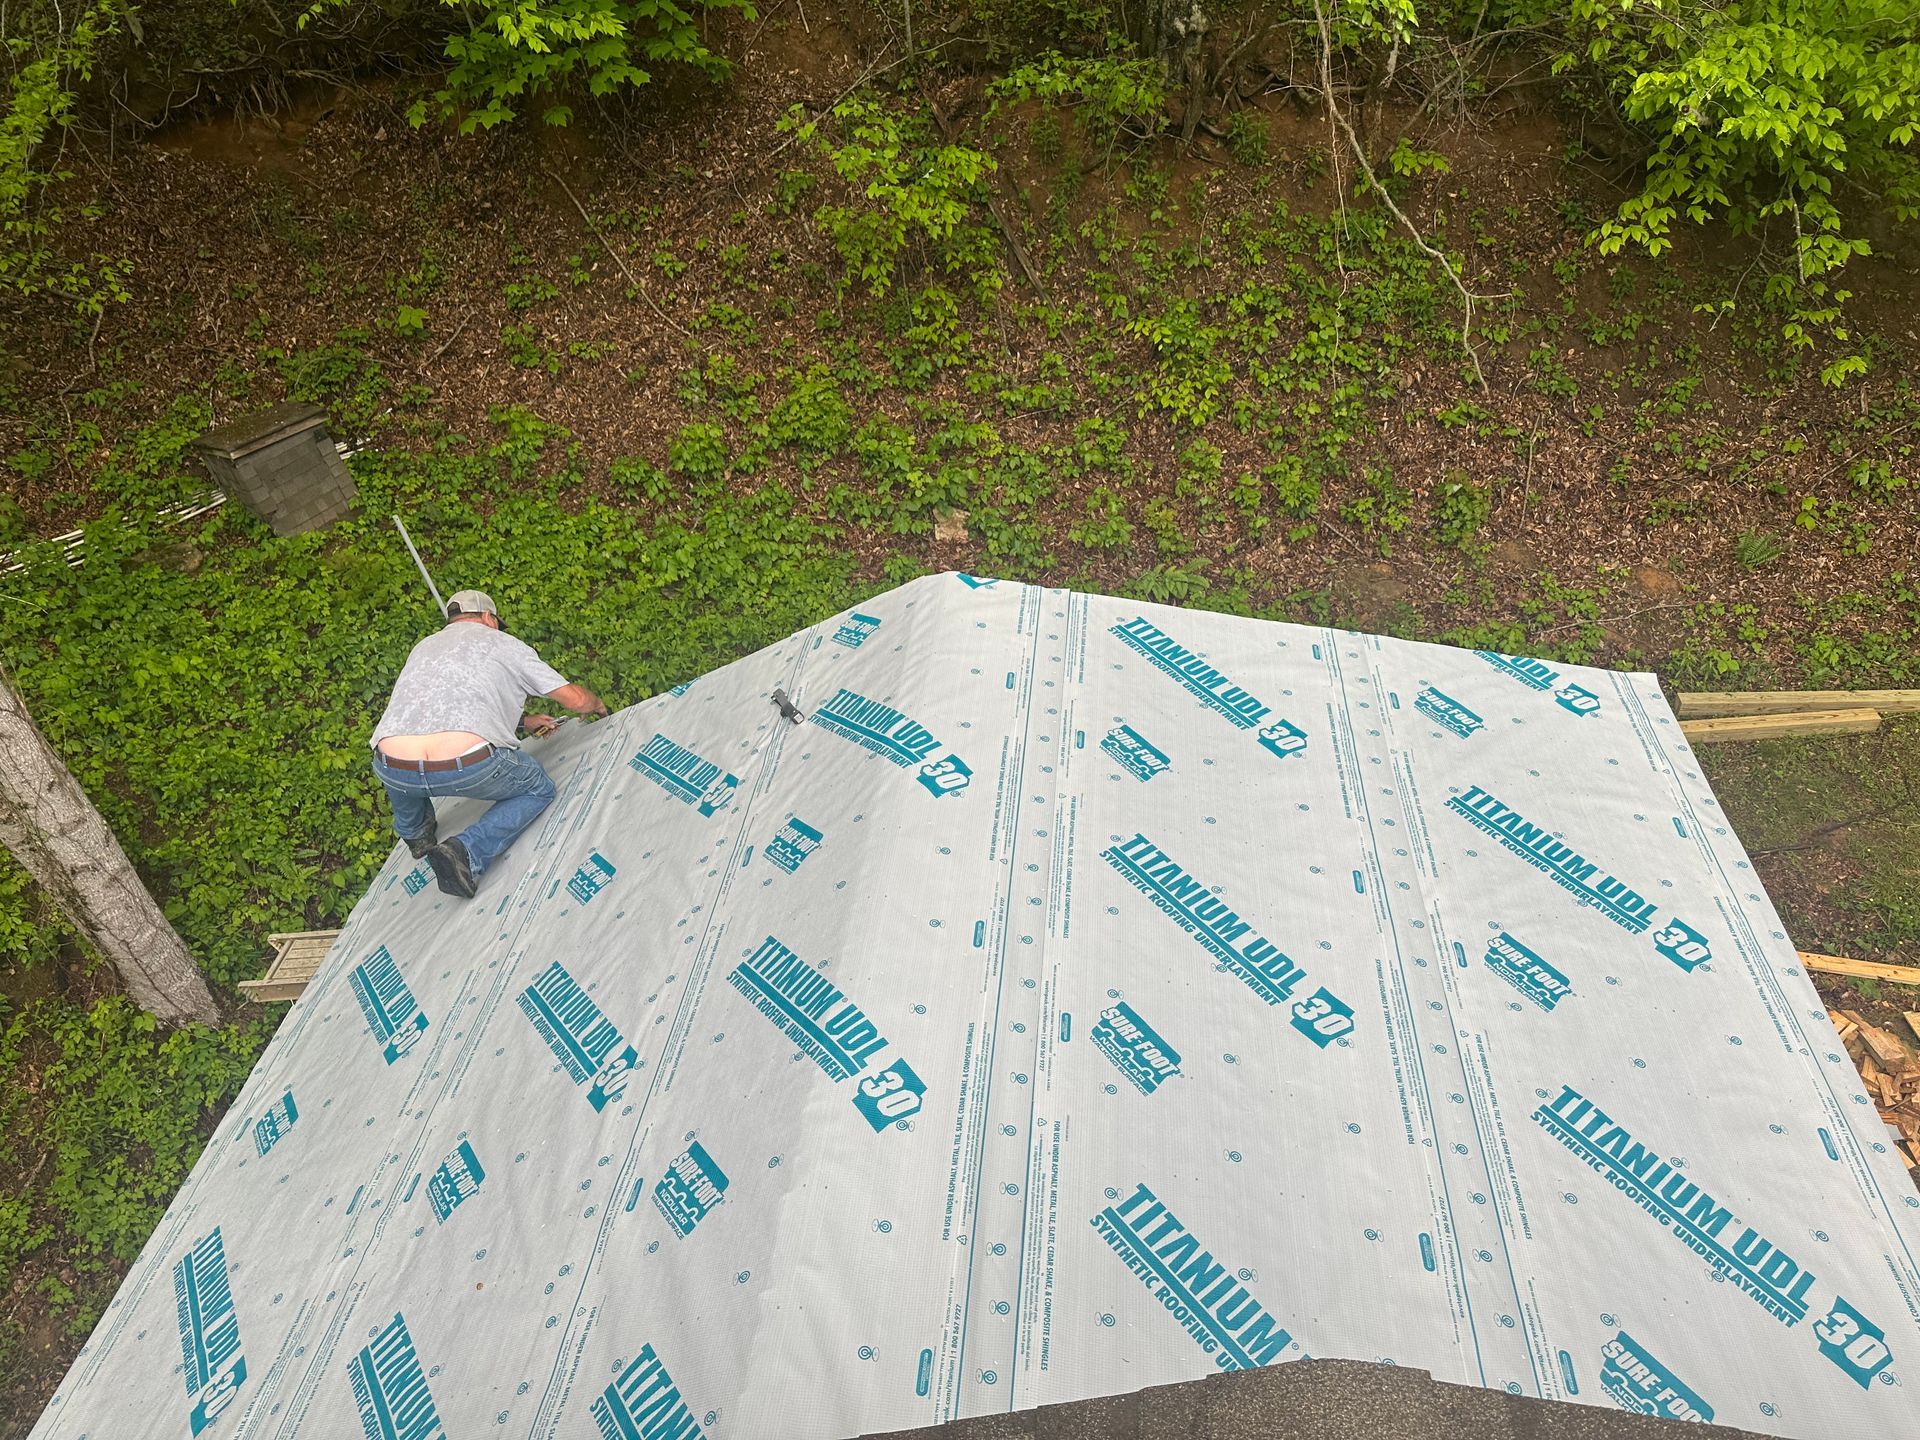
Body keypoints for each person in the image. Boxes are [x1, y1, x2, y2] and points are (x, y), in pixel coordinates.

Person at [371, 589, 609, 897]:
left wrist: (524, 721)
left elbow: (443, 706)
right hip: (466, 767)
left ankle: (417, 836)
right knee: (537, 787)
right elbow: (575, 700)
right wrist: (598, 705)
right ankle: (465, 852)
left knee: (400, 766)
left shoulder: (424, 647)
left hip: (392, 766)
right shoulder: (504, 644)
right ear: (488, 617)